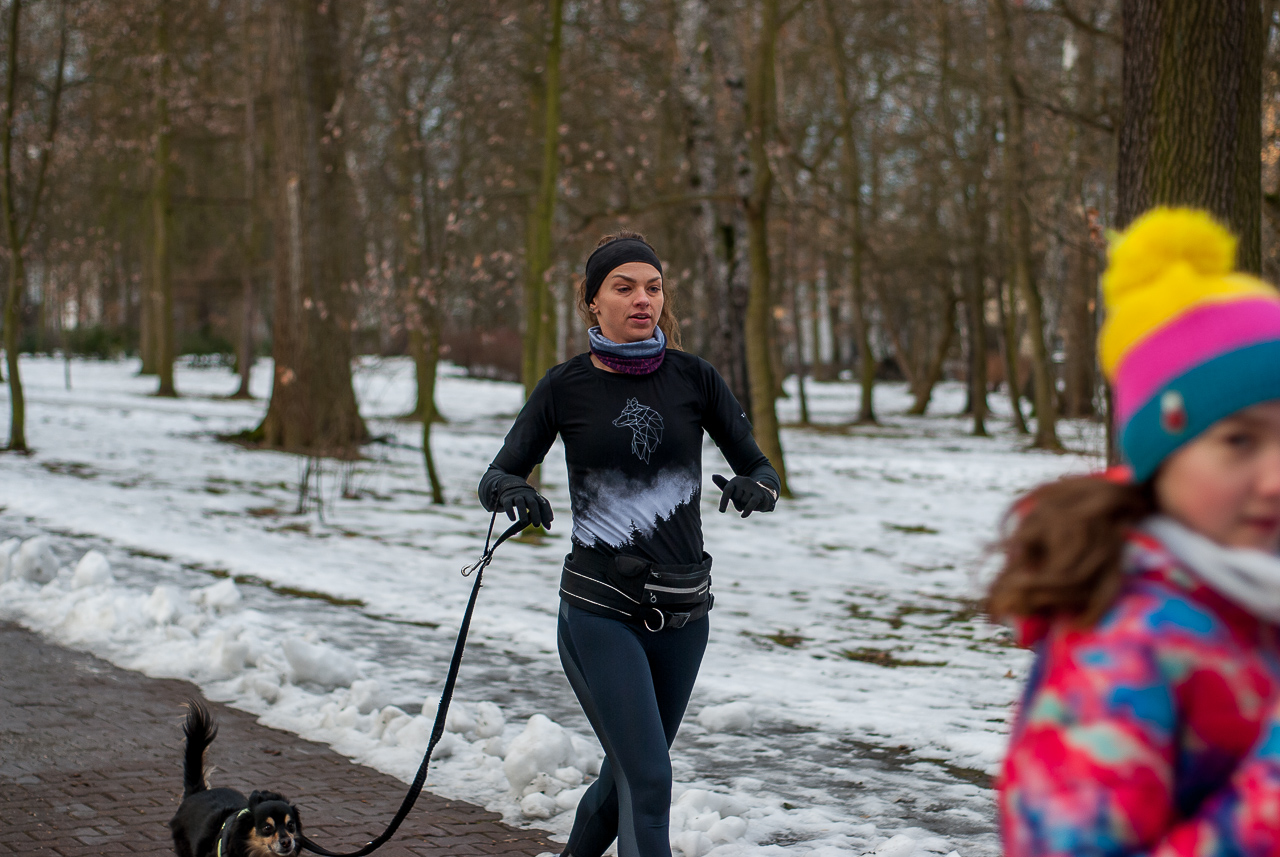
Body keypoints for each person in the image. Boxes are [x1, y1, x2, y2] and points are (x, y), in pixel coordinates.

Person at [477, 231, 780, 857]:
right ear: (593, 301)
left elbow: (760, 466)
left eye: (653, 286)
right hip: (600, 612)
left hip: (685, 613)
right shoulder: (565, 387)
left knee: (627, 782)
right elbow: (497, 474)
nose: (643, 299)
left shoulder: (695, 378)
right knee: (647, 776)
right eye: (624, 287)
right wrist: (514, 493)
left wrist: (757, 487)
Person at [988, 207, 1280, 857]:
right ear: (1160, 453)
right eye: (1239, 440)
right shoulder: (1119, 645)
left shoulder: (1258, 590)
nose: (1275, 478)